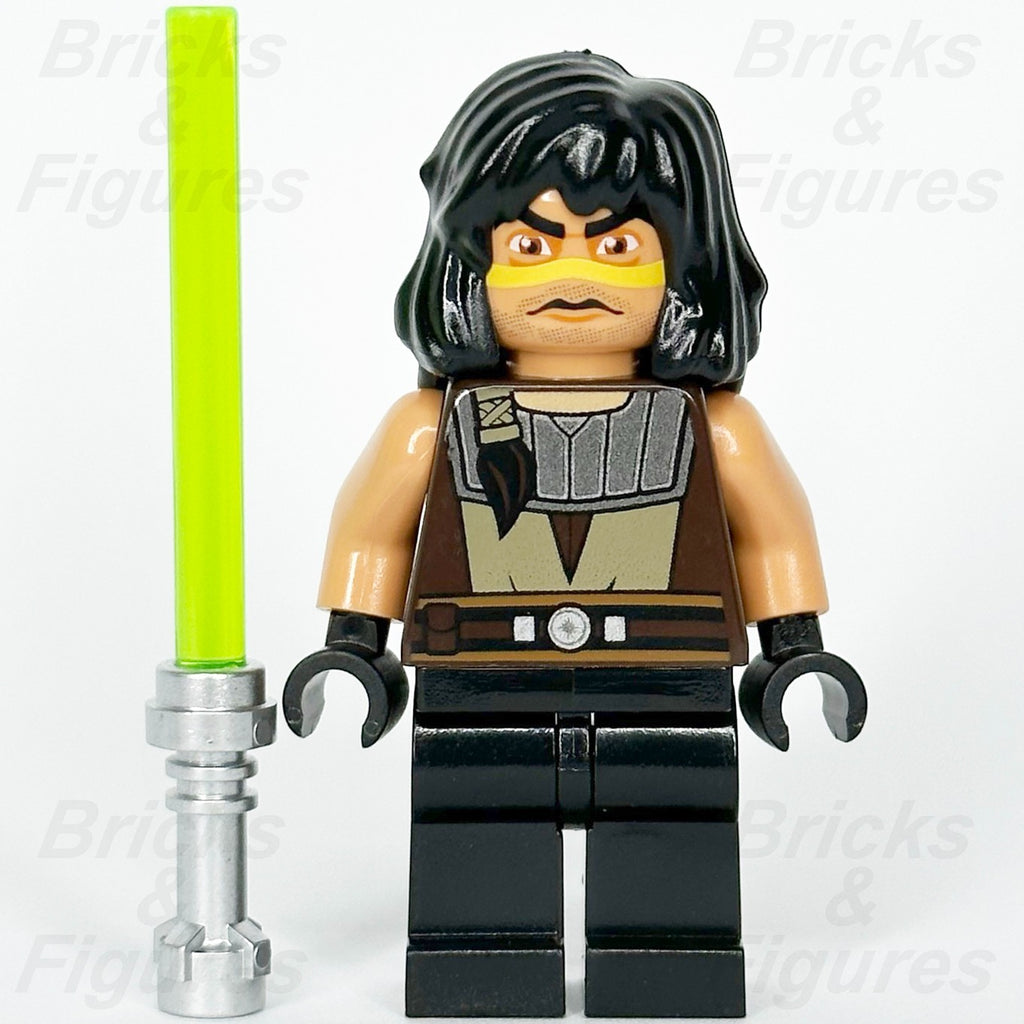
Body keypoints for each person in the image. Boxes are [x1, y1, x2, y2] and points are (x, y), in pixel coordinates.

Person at [284, 51, 866, 1018]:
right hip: (478, 678)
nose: (573, 275)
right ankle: (482, 965)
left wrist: (793, 650)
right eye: (531, 244)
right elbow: (374, 537)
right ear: (468, 261)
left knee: (672, 825)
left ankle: (667, 963)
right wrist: (354, 646)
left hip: (667, 679)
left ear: (687, 266)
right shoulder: (431, 426)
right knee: (476, 826)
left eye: (619, 246)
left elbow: (772, 538)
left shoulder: (716, 429)